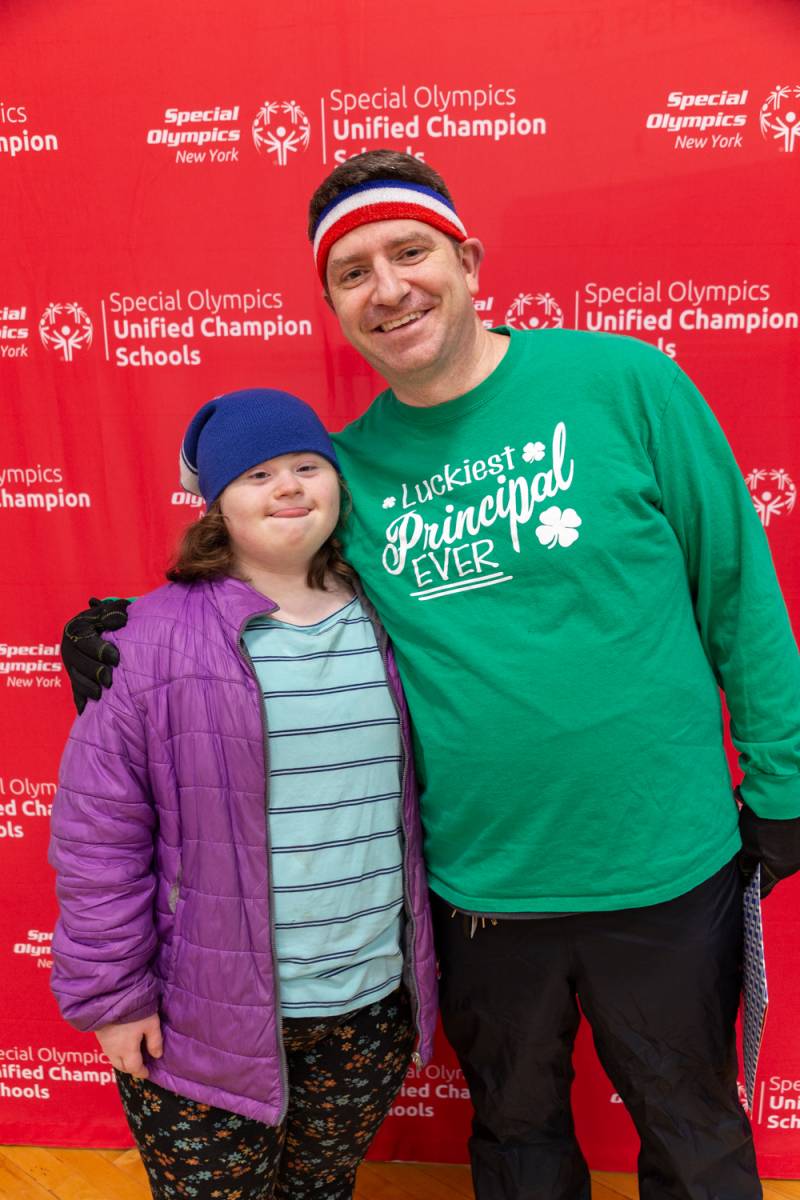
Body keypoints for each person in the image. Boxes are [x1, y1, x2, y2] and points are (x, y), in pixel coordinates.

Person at [62, 153, 800, 1200]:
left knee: (693, 1136)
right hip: (478, 886)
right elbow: (258, 582)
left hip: (665, 862)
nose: (388, 286)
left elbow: (735, 584)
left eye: (408, 252)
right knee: (515, 1139)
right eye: (352, 271)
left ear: (466, 260)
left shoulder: (624, 382)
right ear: (332, 306)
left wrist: (782, 784)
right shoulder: (344, 471)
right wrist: (121, 634)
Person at [51, 387, 437, 1200]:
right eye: (258, 474)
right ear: (217, 506)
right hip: (203, 1024)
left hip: (366, 1007)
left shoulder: (399, 619)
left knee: (322, 1190)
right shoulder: (144, 642)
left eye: (306, 466)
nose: (289, 487)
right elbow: (100, 840)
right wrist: (114, 1000)